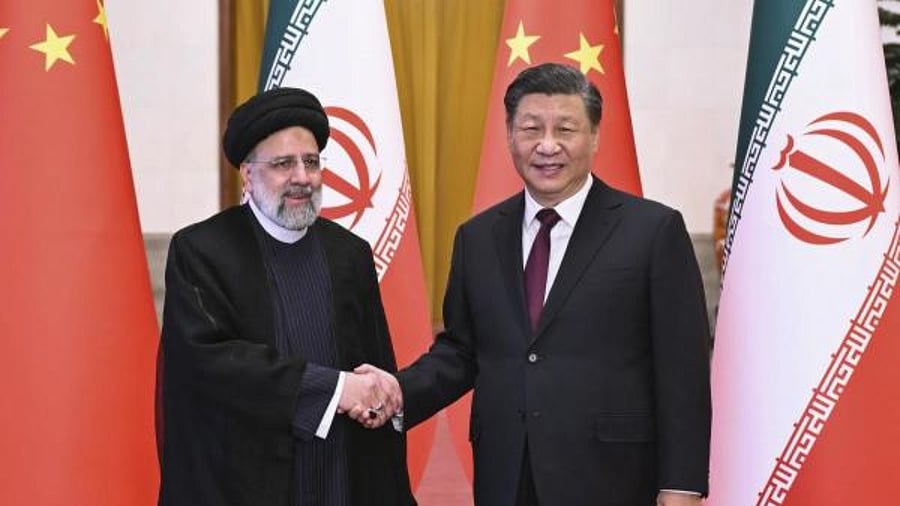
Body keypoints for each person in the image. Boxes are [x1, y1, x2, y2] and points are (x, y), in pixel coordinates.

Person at [360, 63, 712, 506]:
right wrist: (397, 391)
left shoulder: (653, 231)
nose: (547, 145)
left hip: (612, 479)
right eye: (531, 129)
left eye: (565, 129)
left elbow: (683, 370)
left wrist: (682, 485)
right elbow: (462, 352)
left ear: (594, 136)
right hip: (507, 474)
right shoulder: (477, 237)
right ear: (510, 135)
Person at [157, 87, 415, 506]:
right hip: (244, 483)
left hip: (339, 477)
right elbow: (212, 365)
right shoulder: (202, 251)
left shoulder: (349, 254)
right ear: (248, 175)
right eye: (283, 164)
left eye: (311, 162)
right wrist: (334, 390)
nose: (302, 177)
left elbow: (375, 365)